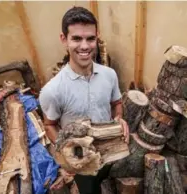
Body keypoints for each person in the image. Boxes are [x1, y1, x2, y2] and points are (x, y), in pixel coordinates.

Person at [38, 6, 129, 194]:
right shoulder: (52, 90)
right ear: (64, 39)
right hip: (83, 162)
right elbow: (49, 125)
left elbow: (116, 104)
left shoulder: (109, 75)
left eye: (90, 38)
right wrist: (66, 151)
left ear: (97, 37)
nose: (85, 46)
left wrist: (119, 119)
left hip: (112, 151)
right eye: (77, 38)